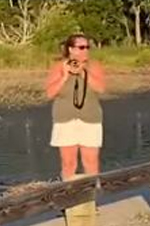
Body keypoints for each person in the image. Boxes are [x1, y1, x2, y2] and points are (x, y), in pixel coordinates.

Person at [45, 33, 106, 181]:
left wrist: (84, 73)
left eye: (87, 47)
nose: (85, 50)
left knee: (91, 162)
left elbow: (100, 88)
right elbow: (50, 93)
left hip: (90, 119)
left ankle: (92, 197)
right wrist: (64, 77)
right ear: (71, 49)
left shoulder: (94, 66)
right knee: (68, 162)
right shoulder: (59, 67)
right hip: (65, 119)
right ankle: (70, 196)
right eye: (81, 47)